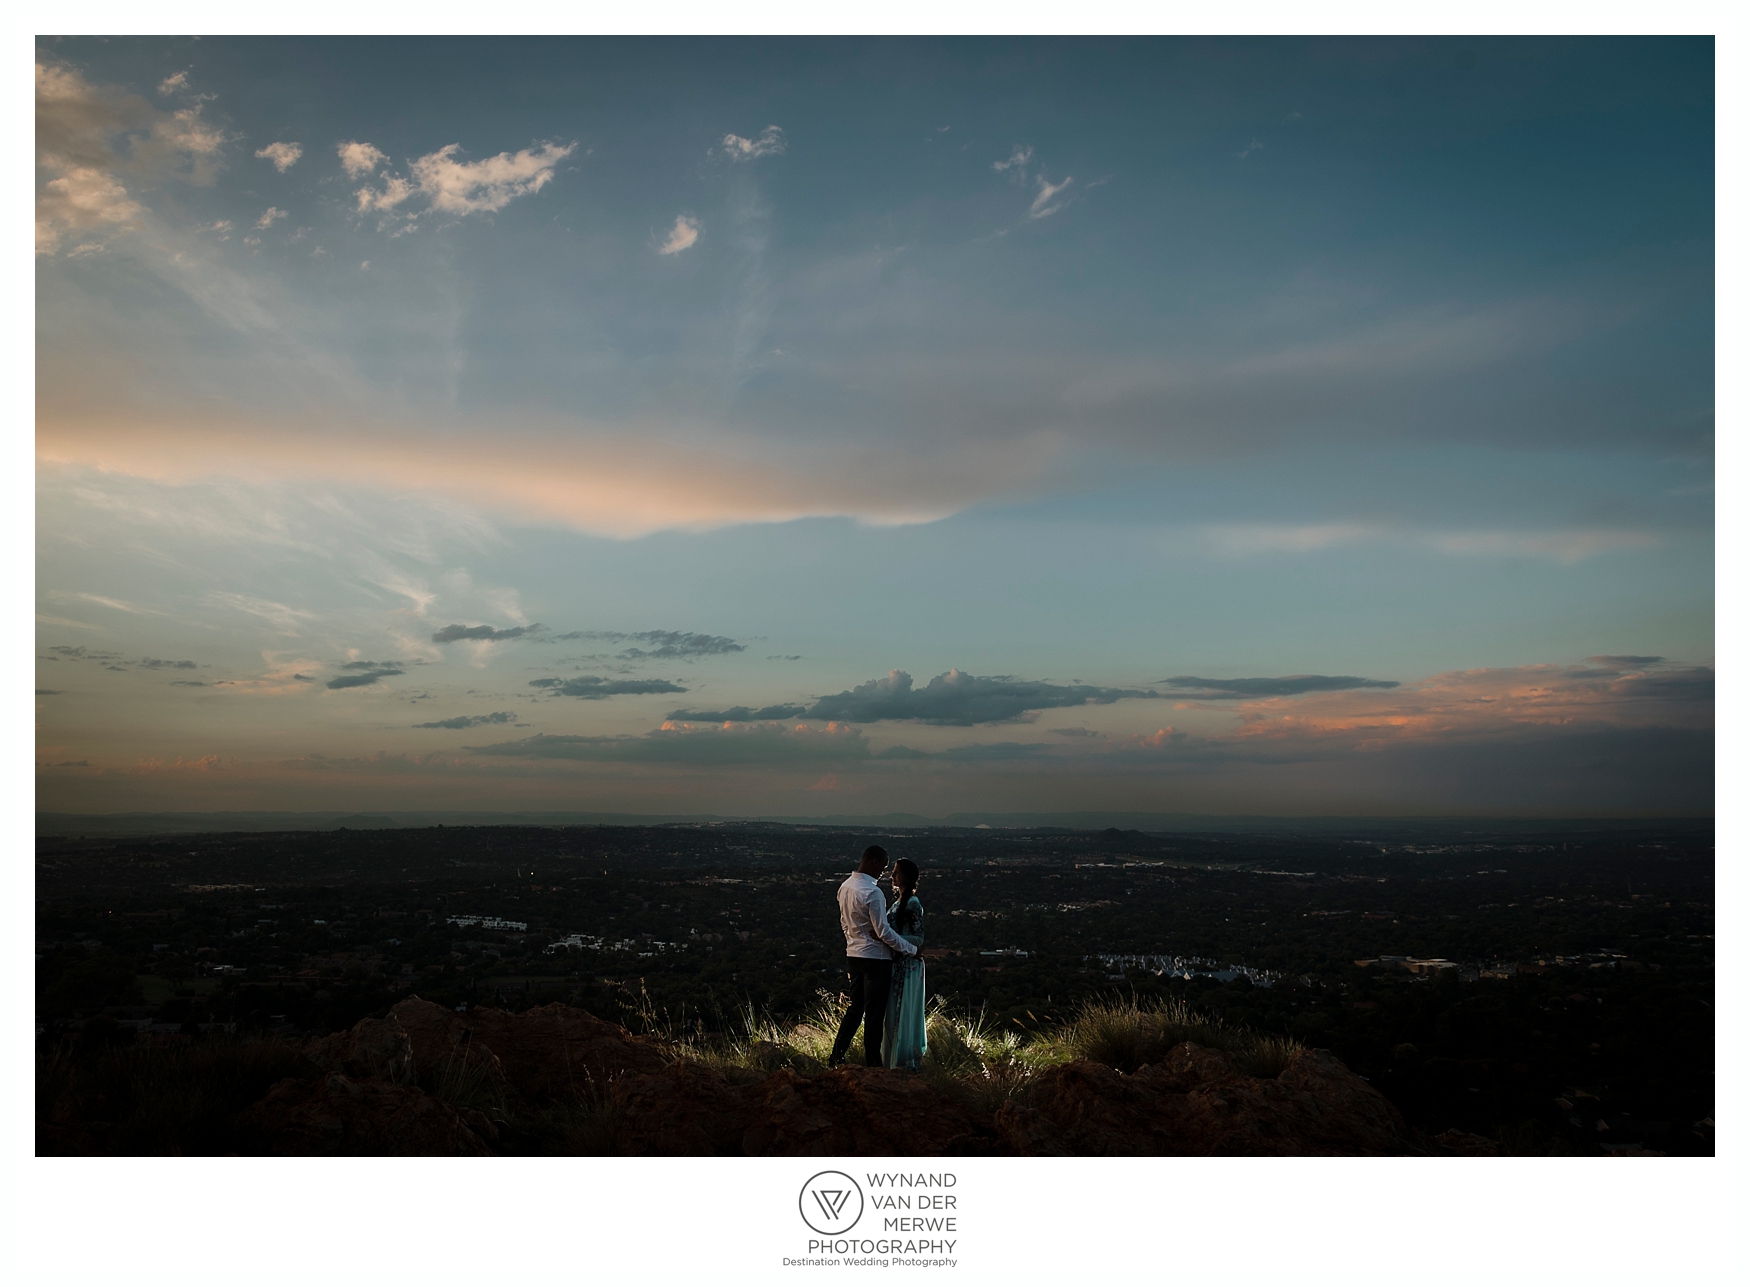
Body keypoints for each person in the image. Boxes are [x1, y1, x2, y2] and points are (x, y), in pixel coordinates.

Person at [827, 844, 923, 1068]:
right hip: (876, 960)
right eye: (884, 867)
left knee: (855, 1008)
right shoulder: (873, 892)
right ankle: (873, 1063)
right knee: (874, 1013)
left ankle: (836, 1055)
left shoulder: (845, 887)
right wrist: (910, 950)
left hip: (854, 955)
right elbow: (883, 932)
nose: (885, 873)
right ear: (874, 862)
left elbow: (844, 924)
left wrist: (853, 942)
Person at [881, 858, 928, 1070]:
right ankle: (891, 1060)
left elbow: (918, 939)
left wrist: (887, 937)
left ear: (906, 877)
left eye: (896, 873)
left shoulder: (912, 904)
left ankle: (903, 1061)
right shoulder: (899, 903)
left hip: (908, 967)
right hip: (898, 964)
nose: (892, 877)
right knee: (893, 1015)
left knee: (903, 1013)